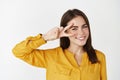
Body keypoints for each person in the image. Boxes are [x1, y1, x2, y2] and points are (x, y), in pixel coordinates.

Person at [12, 9, 107, 80]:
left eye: (84, 27)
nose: (81, 33)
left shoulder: (99, 57)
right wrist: (45, 37)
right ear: (65, 30)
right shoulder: (51, 57)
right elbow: (18, 52)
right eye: (74, 28)